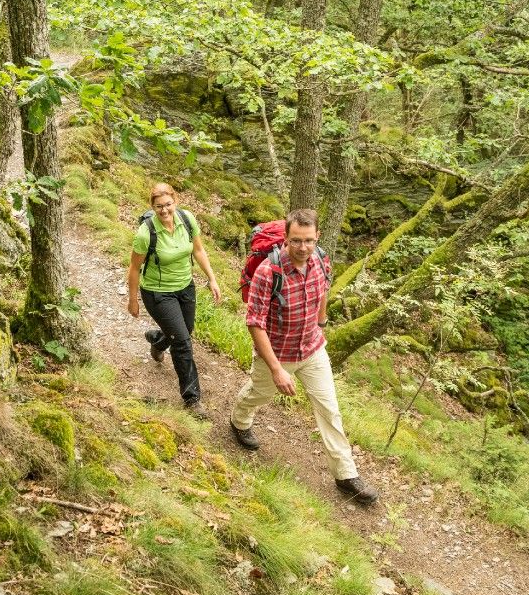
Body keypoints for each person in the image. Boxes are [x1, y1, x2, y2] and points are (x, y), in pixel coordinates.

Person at [229, 208, 379, 505]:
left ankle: (346, 475)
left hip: (312, 349)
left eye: (308, 240)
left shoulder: (322, 259)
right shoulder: (268, 272)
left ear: (317, 237)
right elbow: (255, 322)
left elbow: (323, 290)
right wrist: (276, 370)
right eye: (296, 241)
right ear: (286, 238)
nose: (302, 247)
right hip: (277, 352)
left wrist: (321, 322)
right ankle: (239, 421)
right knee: (258, 394)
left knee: (329, 410)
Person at [127, 183, 221, 419]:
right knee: (182, 341)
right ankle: (192, 398)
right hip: (157, 292)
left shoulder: (187, 220)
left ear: (175, 202)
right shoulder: (146, 232)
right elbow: (134, 268)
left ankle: (158, 340)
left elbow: (198, 250)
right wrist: (133, 300)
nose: (164, 210)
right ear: (152, 207)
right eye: (159, 207)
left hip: (185, 286)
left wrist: (212, 278)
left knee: (185, 330)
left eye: (168, 205)